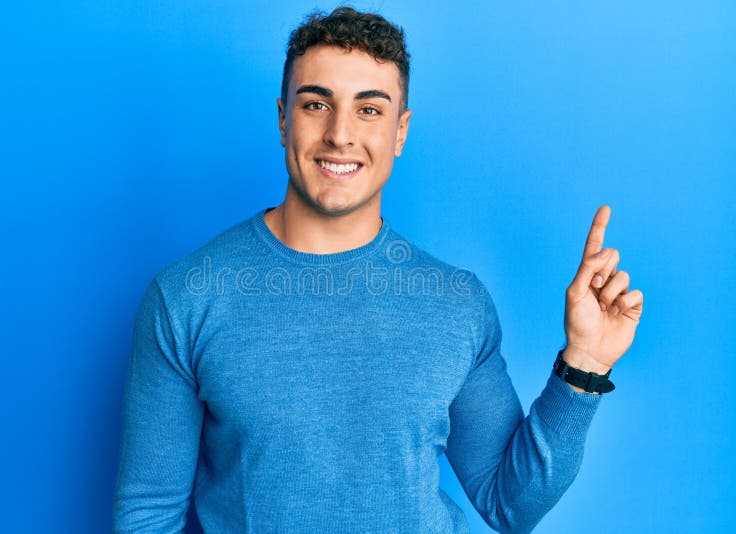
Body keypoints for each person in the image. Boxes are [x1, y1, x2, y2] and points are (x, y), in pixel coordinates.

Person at [112, 6, 644, 533]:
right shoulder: (186, 297)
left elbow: (511, 505)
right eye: (316, 104)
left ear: (400, 132)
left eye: (369, 109)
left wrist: (586, 364)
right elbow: (146, 516)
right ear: (282, 119)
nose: (340, 134)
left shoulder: (456, 302)